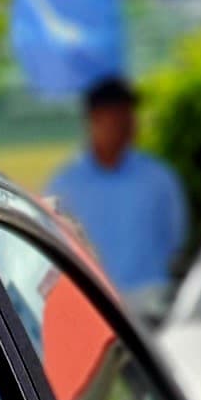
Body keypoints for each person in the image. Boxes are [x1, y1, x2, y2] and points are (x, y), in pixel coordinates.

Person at [46, 74, 190, 302]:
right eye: (117, 115)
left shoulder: (159, 178)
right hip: (93, 303)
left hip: (150, 300)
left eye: (129, 114)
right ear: (93, 119)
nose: (127, 123)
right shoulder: (64, 185)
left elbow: (174, 240)